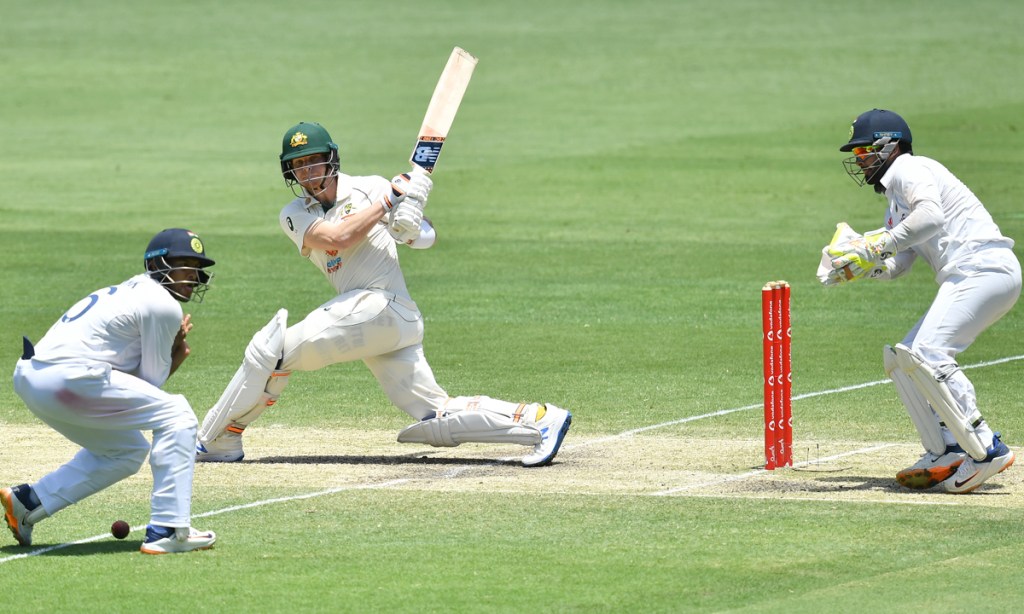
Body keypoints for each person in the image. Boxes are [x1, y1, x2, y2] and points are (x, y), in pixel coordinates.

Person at [195, 121, 572, 467]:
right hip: (377, 321)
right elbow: (336, 238)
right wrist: (388, 203)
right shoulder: (294, 213)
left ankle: (218, 438)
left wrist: (410, 227)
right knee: (434, 414)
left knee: (272, 352)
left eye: (313, 161)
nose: (307, 172)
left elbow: (428, 238)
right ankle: (539, 420)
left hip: (383, 305)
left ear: (331, 159)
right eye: (298, 165)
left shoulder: (370, 187)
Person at [823, 108, 1019, 493]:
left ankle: (986, 448)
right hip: (972, 275)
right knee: (903, 356)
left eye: (865, 152)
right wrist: (863, 265)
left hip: (983, 269)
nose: (860, 162)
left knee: (929, 353)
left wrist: (876, 243)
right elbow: (901, 262)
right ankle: (945, 447)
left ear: (891, 146)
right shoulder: (895, 200)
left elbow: (931, 218)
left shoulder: (909, 169)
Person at [2, 228, 219, 553]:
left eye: (196, 266)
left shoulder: (130, 290)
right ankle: (169, 529)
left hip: (35, 379)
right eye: (183, 263)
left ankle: (28, 502)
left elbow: (131, 394)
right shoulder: (163, 304)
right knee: (177, 415)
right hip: (70, 379)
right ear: (158, 263)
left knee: (125, 450)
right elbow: (150, 386)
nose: (193, 274)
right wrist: (177, 352)